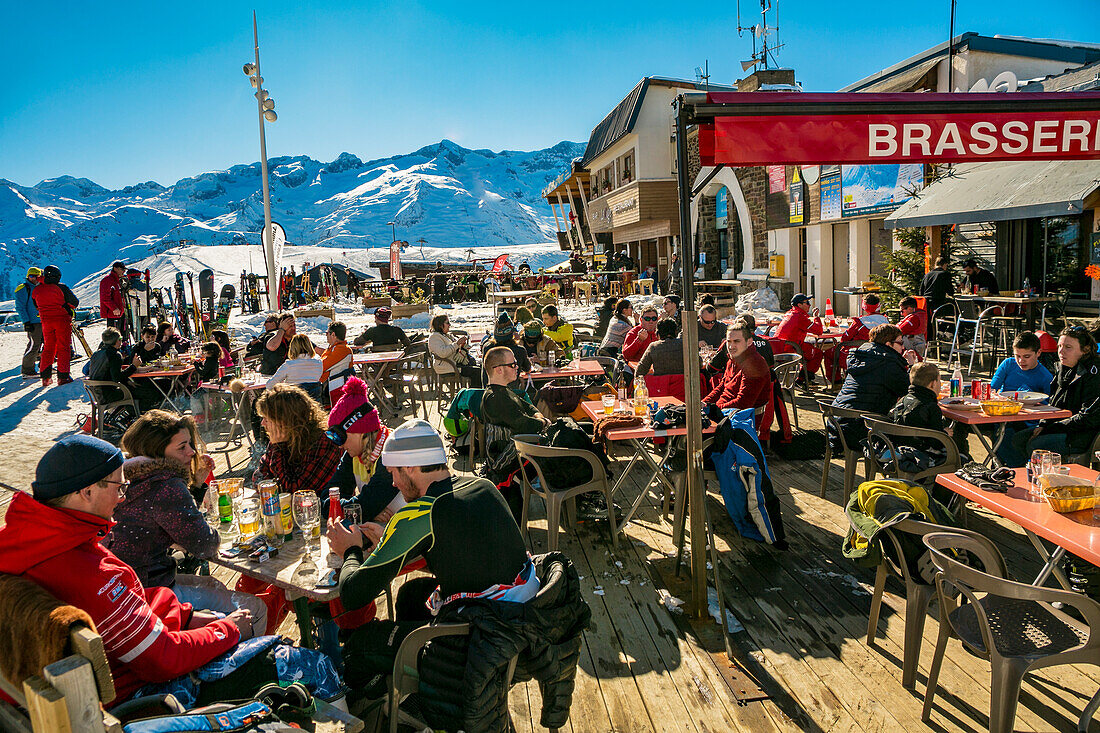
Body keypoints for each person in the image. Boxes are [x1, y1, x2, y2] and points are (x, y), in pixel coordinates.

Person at [328, 419, 531, 695]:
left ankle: (394, 697)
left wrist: (350, 549)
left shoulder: (419, 514)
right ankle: (425, 684)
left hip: (476, 644)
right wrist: (391, 536)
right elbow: (457, 544)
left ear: (410, 467)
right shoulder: (483, 486)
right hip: (517, 626)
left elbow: (352, 595)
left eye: (394, 473)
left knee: (358, 646)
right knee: (411, 595)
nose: (394, 483)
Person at [108, 411, 268, 628]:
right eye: (182, 447)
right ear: (157, 451)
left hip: (126, 588)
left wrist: (196, 486)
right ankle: (249, 657)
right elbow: (205, 545)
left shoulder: (128, 476)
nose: (192, 452)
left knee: (214, 584)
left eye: (190, 444)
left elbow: (168, 524)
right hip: (150, 594)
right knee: (255, 608)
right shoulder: (165, 485)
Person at [1005, 326, 1100, 466]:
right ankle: (1025, 475)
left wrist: (1052, 428)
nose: (1061, 351)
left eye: (1068, 347)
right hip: (1063, 427)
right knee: (1018, 439)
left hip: (1083, 435)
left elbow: (1089, 417)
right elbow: (1054, 403)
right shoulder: (1065, 368)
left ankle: (1044, 476)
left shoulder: (1093, 373)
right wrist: (1044, 424)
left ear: (1084, 350)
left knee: (1035, 446)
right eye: (1060, 346)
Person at [324, 378, 400, 523]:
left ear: (358, 430)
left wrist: (365, 511)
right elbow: (327, 498)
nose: (338, 445)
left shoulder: (392, 454)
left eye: (339, 437)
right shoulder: (352, 455)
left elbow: (367, 504)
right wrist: (364, 512)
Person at [831, 324, 916, 448]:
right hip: (861, 431)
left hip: (837, 425)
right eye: (900, 343)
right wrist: (912, 366)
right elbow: (910, 391)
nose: (903, 347)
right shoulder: (888, 364)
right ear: (888, 344)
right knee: (910, 427)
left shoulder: (864, 356)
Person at [254, 384, 344, 497]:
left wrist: (279, 448)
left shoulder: (324, 442)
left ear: (285, 421)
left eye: (266, 419)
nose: (262, 423)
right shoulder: (281, 436)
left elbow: (297, 493)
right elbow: (259, 474)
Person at [703, 317, 772, 411]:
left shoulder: (754, 364)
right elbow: (723, 386)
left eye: (736, 341)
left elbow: (743, 404)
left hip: (741, 419)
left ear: (749, 342)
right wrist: (705, 403)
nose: (731, 346)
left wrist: (713, 409)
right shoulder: (733, 358)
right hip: (725, 411)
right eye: (728, 341)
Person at [32, 264, 78, 386]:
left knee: (48, 347)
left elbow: (36, 305)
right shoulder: (61, 288)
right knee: (63, 347)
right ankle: (63, 377)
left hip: (46, 321)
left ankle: (46, 378)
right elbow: (74, 302)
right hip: (62, 320)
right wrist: (66, 307)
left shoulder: (37, 289)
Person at [888, 362, 949, 453]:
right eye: (939, 381)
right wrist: (945, 434)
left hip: (898, 452)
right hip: (922, 457)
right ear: (932, 384)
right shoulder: (931, 407)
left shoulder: (903, 400)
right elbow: (937, 443)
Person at [774, 293, 826, 378]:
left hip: (781, 346)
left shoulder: (790, 313)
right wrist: (816, 317)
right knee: (817, 353)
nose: (809, 305)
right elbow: (819, 331)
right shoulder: (799, 317)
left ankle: (803, 376)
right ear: (799, 305)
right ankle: (804, 379)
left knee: (809, 348)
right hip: (790, 349)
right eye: (807, 303)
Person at [266, 333, 324, 399]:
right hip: (313, 404)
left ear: (292, 347)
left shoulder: (289, 365)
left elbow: (269, 385)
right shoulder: (319, 363)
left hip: (293, 405)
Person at [427, 314, 480, 384]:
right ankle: (474, 393)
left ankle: (476, 392)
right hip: (447, 367)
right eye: (447, 323)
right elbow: (443, 353)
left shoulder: (446, 335)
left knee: (480, 368)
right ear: (440, 325)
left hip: (455, 364)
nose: (449, 325)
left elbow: (454, 347)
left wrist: (462, 345)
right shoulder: (434, 337)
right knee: (477, 372)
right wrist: (457, 344)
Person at [482, 311, 531, 385]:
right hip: (512, 394)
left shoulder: (487, 347)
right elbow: (527, 369)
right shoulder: (519, 350)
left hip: (489, 392)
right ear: (512, 333)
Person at [16, 266, 42, 379]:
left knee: (45, 344)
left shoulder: (41, 287)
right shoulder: (23, 288)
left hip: (43, 321)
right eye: (31, 276)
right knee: (33, 345)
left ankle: (44, 366)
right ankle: (27, 370)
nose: (34, 279)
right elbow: (20, 307)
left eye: (36, 276)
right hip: (33, 322)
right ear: (28, 276)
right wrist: (26, 322)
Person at [321, 320, 355, 401]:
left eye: (327, 333)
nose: (326, 335)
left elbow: (322, 366)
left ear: (333, 334)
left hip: (334, 389)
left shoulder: (341, 350)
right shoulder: (336, 348)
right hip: (331, 386)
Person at [259, 312, 295, 376]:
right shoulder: (273, 336)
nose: (293, 328)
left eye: (294, 325)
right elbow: (272, 346)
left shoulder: (296, 339)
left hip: (288, 376)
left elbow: (314, 349)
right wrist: (281, 330)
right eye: (289, 326)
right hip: (269, 375)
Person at [99, 260, 127, 337]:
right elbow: (105, 298)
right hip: (113, 314)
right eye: (122, 269)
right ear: (115, 268)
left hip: (120, 312)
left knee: (122, 334)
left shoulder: (118, 280)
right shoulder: (108, 280)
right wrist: (114, 308)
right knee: (113, 336)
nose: (123, 271)